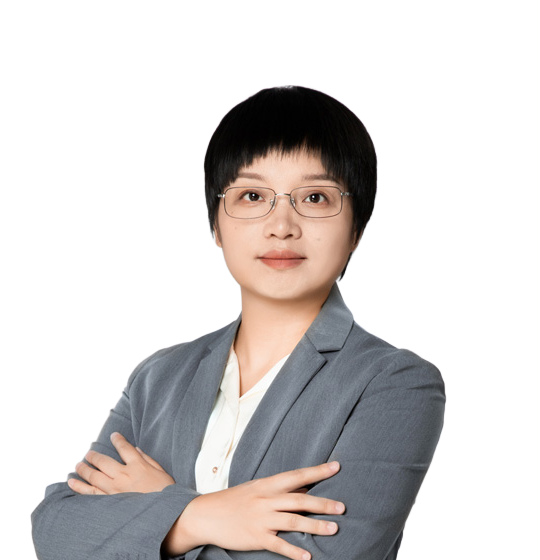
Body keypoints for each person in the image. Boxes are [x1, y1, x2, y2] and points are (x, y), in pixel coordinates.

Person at [30, 84, 446, 560]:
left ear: (357, 227)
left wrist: (155, 512)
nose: (281, 225)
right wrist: (200, 516)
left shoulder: (395, 383)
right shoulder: (157, 377)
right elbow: (57, 532)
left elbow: (329, 557)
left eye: (314, 197)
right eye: (252, 195)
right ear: (215, 223)